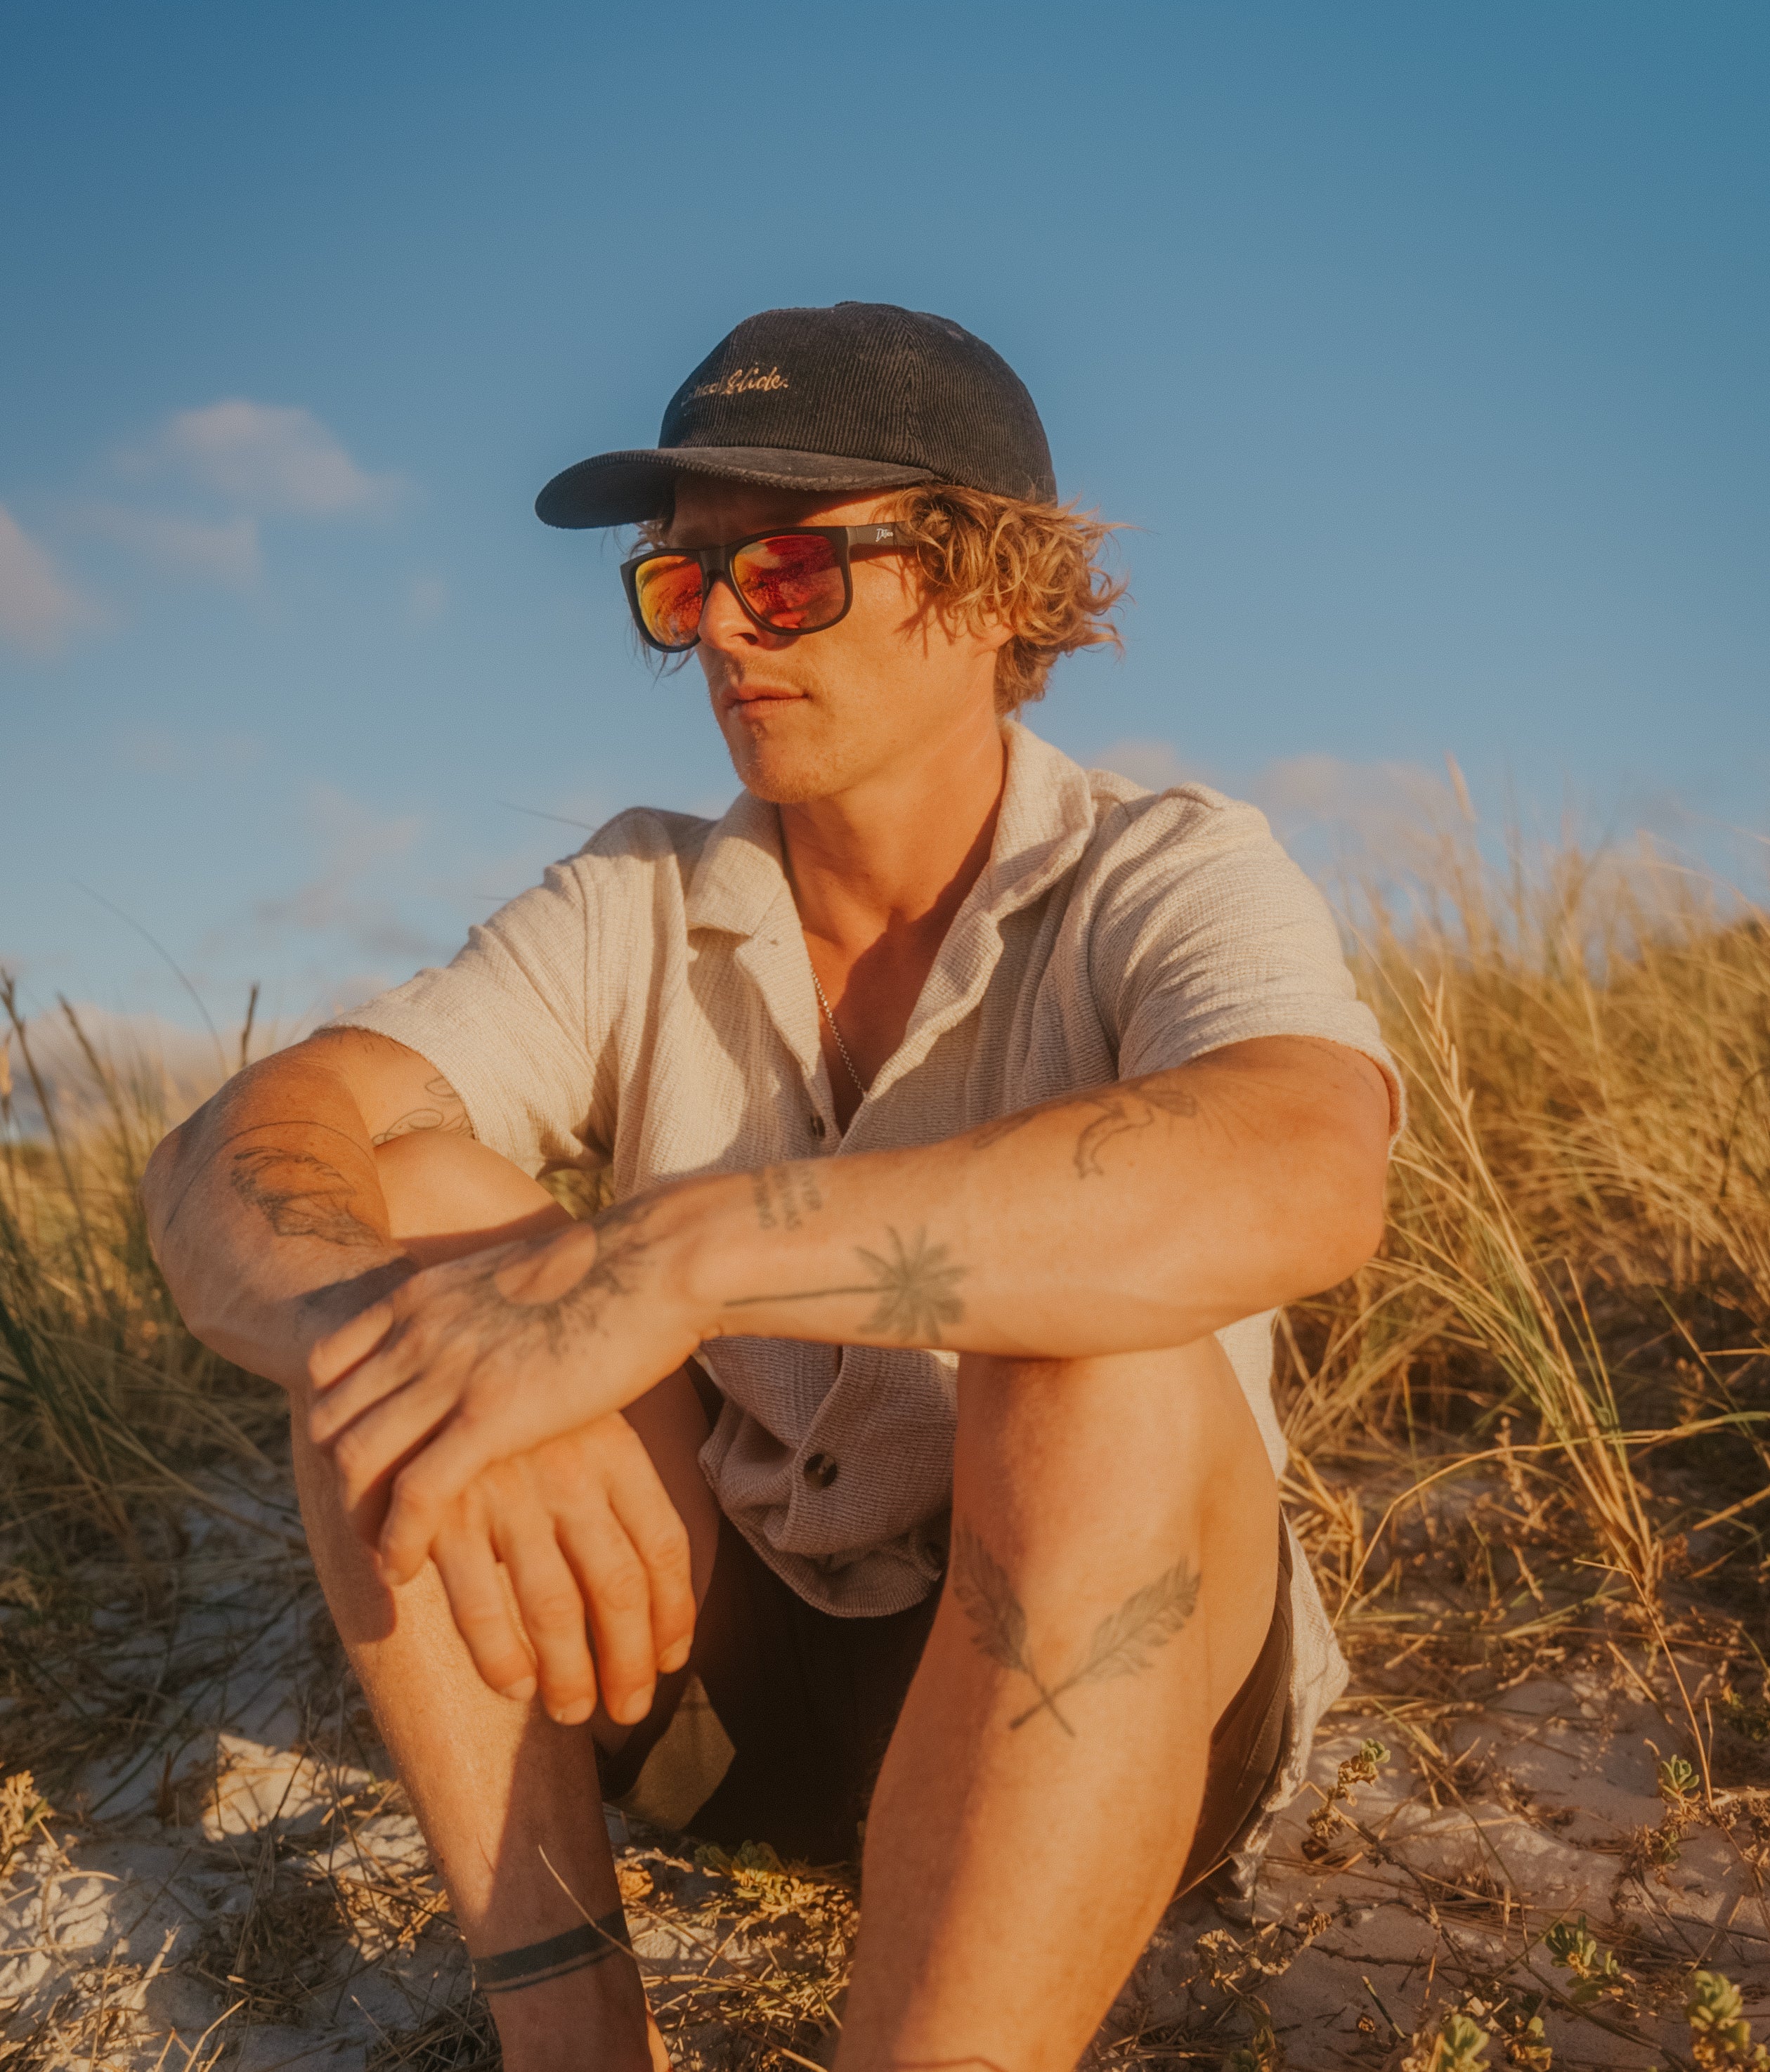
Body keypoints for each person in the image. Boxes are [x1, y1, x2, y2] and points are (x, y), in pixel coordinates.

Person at [144, 302, 1397, 2072]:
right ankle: (571, 2037)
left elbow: (1304, 1167)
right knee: (415, 1209)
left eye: (790, 573)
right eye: (683, 584)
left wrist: (662, 1268)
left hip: (1119, 1704)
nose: (724, 629)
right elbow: (229, 1152)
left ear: (991, 588)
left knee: (1104, 1358)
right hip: (720, 1724)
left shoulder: (1167, 868)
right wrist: (446, 1346)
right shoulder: (637, 897)